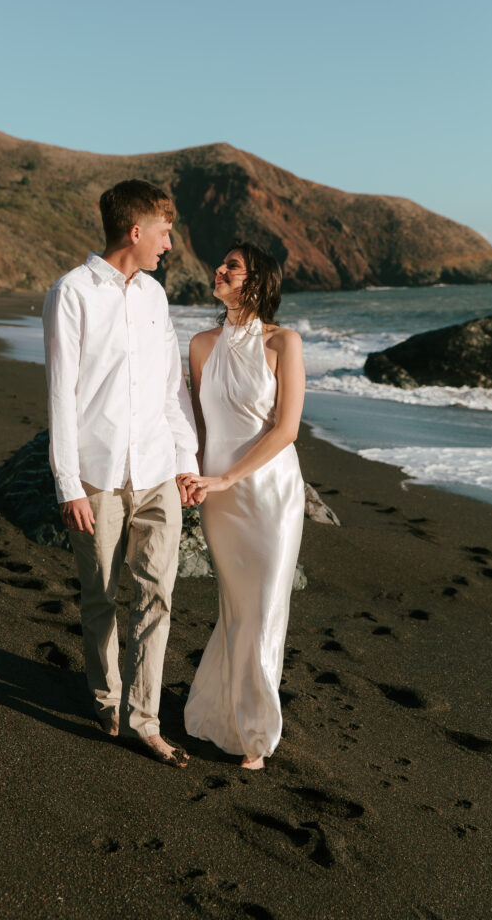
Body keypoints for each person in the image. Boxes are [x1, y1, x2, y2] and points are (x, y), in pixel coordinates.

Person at [42, 179, 199, 768]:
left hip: (157, 469)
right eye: (163, 232)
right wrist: (68, 485)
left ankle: (146, 719)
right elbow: (61, 395)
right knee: (101, 595)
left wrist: (185, 462)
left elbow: (170, 390)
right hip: (99, 474)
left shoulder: (156, 298)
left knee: (158, 596)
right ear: (135, 231)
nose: (167, 244)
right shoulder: (72, 293)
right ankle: (107, 698)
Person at [179, 242, 305, 770]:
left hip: (270, 494)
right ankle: (220, 715)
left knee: (265, 607)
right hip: (218, 497)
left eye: (232, 266)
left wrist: (227, 477)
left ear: (257, 280)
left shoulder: (284, 342)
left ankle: (256, 731)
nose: (220, 269)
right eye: (222, 262)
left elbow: (286, 429)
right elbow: (199, 425)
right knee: (236, 609)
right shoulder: (202, 344)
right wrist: (193, 472)